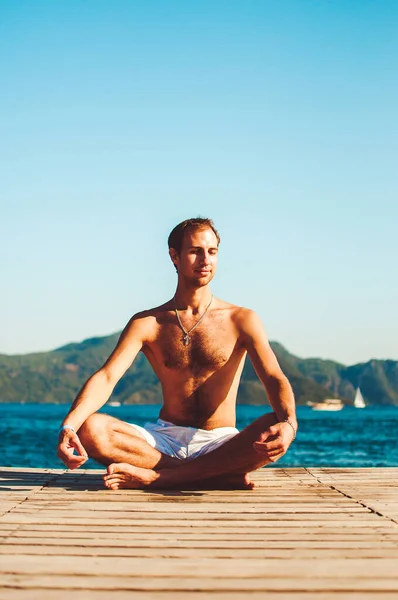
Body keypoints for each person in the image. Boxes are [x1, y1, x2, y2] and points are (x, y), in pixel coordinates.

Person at [57, 217, 297, 490]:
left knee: (275, 422)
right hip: (163, 442)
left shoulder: (241, 319)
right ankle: (216, 474)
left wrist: (290, 424)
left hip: (220, 441)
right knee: (92, 429)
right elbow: (107, 377)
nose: (205, 260)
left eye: (212, 251)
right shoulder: (148, 323)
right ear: (174, 256)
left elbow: (273, 377)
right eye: (195, 251)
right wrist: (69, 426)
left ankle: (159, 478)